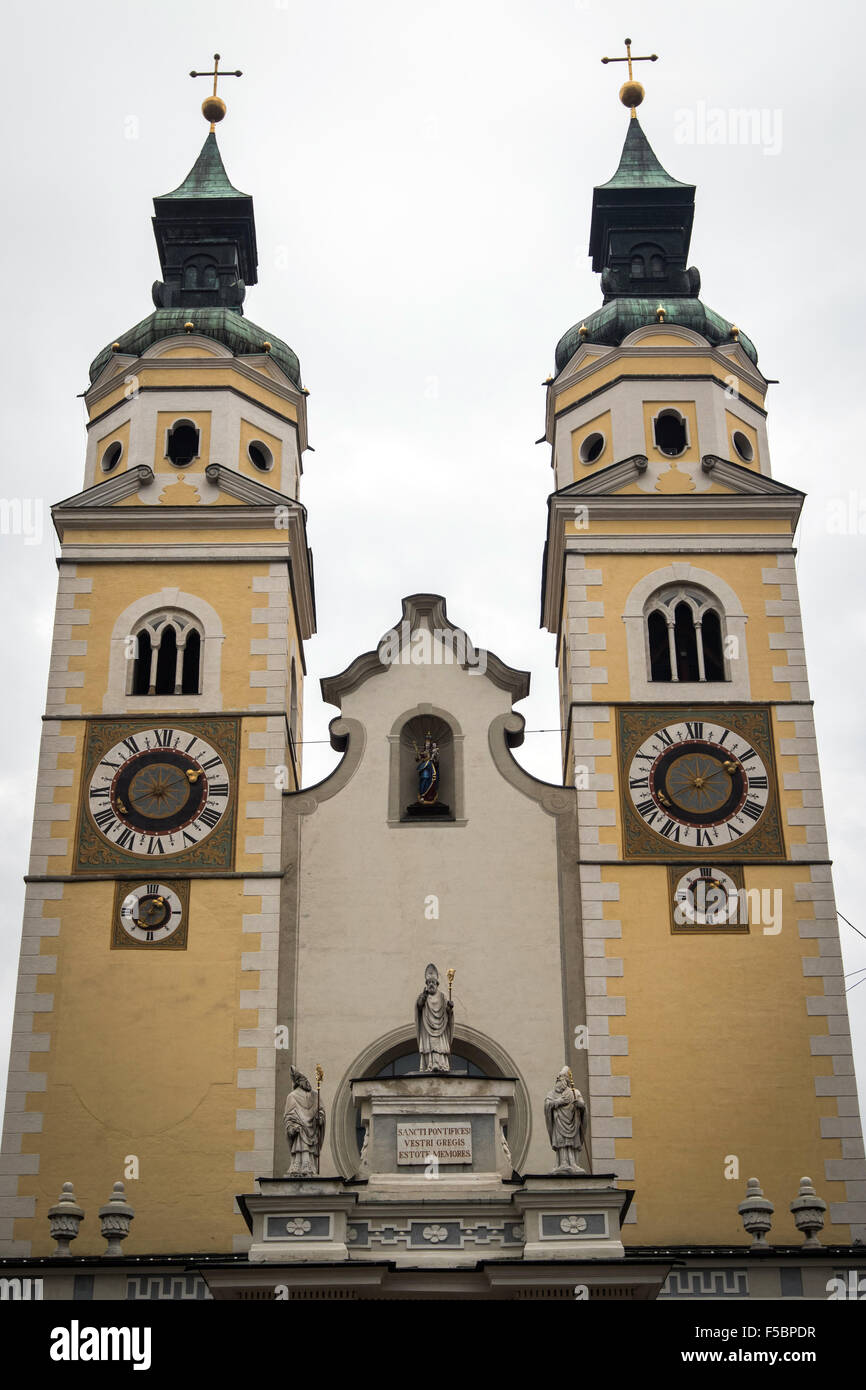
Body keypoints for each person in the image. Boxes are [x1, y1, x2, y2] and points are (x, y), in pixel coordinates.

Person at [283, 1066, 326, 1177]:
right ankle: (298, 1166)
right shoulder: (292, 1096)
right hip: (300, 1131)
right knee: (300, 1140)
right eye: (304, 1080)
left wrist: (320, 1118)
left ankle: (309, 1166)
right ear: (298, 1082)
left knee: (309, 1152)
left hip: (312, 1129)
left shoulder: (315, 1095)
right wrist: (292, 1127)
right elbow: (289, 1116)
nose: (307, 1082)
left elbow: (321, 1110)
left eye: (307, 1080)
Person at [544, 1067, 587, 1173]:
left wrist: (580, 1105)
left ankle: (573, 1163)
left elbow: (582, 1104)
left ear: (566, 1080)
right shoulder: (552, 1094)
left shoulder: (574, 1092)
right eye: (558, 1077)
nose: (558, 1078)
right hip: (559, 1122)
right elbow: (547, 1105)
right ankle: (562, 1163)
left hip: (573, 1122)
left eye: (561, 1077)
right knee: (561, 1143)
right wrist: (559, 1101)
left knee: (571, 1143)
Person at [415, 963, 454, 1072]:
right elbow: (419, 1005)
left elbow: (448, 1012)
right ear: (426, 984)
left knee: (439, 1046)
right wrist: (423, 997)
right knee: (429, 1045)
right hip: (427, 1027)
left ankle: (441, 1064)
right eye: (429, 983)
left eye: (433, 982)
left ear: (437, 984)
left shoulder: (443, 996)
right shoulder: (424, 996)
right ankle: (430, 1065)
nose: (431, 984)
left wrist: (450, 1008)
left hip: (440, 1026)